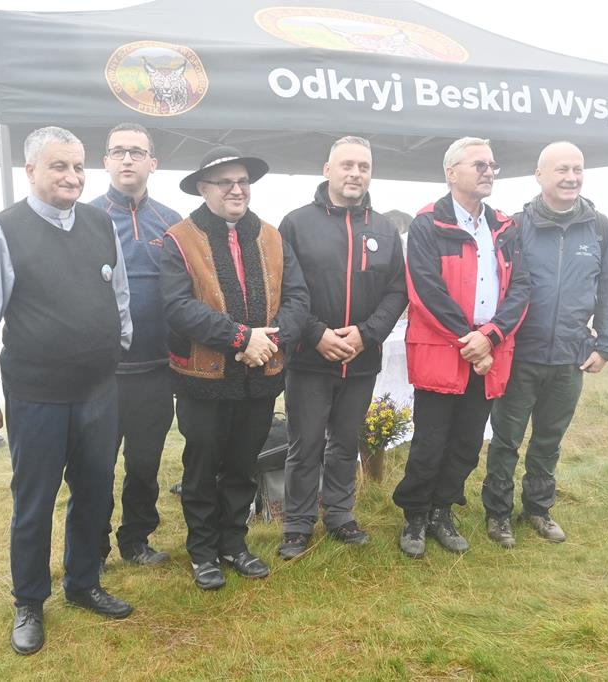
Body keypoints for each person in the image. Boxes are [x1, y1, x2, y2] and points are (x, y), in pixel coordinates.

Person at [0, 127, 134, 656]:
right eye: (59, 166)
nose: (72, 177)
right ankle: (29, 601)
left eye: (78, 167)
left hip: (99, 392)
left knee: (96, 492)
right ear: (30, 171)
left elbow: (119, 296)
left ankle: (83, 582)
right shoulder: (2, 232)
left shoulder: (100, 224)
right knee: (34, 503)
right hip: (37, 396)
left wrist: (116, 343)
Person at [161, 146, 309, 590]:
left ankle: (234, 543)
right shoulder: (178, 239)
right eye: (225, 182)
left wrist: (268, 341)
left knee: (244, 465)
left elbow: (297, 298)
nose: (236, 189)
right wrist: (241, 339)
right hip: (203, 380)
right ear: (203, 188)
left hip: (259, 377)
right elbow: (177, 306)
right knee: (202, 467)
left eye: (242, 181)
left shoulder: (272, 237)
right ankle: (203, 551)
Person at [393, 137, 530, 558]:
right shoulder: (427, 223)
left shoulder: (504, 226)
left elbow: (521, 288)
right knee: (431, 439)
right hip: (444, 347)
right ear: (451, 173)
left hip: (488, 347)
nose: (489, 172)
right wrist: (469, 340)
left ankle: (442, 510)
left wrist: (490, 337)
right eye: (479, 165)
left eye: (492, 165)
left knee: (468, 441)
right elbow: (425, 289)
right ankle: (415, 514)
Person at [276, 136, 407, 559]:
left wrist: (367, 334)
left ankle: (340, 514)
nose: (355, 173)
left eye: (363, 166)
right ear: (327, 169)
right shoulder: (296, 223)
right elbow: (284, 288)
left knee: (346, 442)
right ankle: (297, 523)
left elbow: (397, 290)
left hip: (361, 359)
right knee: (305, 444)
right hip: (309, 358)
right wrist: (315, 334)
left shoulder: (384, 229)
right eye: (347, 165)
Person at [483, 141, 608, 549]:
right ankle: (497, 513)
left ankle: (538, 509)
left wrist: (606, 344)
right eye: (562, 170)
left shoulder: (599, 228)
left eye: (577, 169)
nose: (571, 178)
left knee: (548, 440)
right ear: (539, 175)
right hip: (519, 354)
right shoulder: (516, 226)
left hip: (569, 357)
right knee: (506, 439)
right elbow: (497, 287)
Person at [90, 123, 181, 570]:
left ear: (153, 163)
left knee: (144, 464)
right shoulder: (85, 218)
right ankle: (92, 547)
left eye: (137, 152)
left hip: (156, 369)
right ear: (105, 161)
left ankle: (136, 540)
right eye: (118, 151)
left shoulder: (173, 222)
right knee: (94, 466)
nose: (128, 159)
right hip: (101, 374)